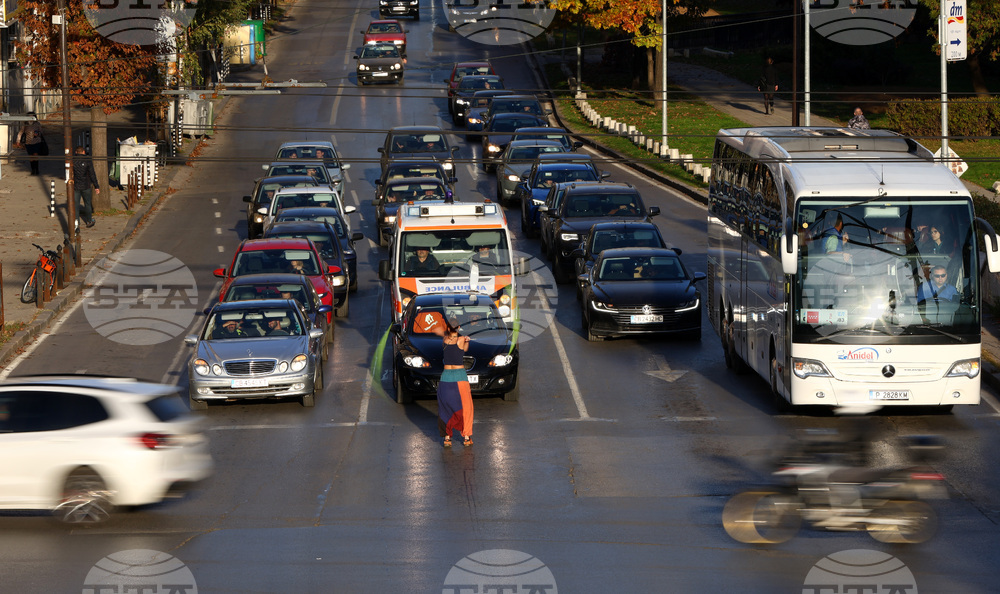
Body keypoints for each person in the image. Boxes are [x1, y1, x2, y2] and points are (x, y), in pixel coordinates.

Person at [436, 318, 473, 447]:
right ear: (458, 327)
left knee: (445, 407)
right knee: (466, 407)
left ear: (448, 328)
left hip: (445, 376)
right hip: (459, 376)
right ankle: (466, 437)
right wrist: (467, 340)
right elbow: (465, 349)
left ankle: (447, 438)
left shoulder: (444, 340)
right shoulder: (461, 339)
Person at [72, 146, 100, 228]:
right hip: (86, 185)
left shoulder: (72, 160)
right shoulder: (87, 160)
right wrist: (96, 186)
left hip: (76, 186)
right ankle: (89, 220)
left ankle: (76, 222)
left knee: (76, 205)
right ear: (83, 152)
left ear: (76, 152)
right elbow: (92, 174)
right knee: (87, 204)